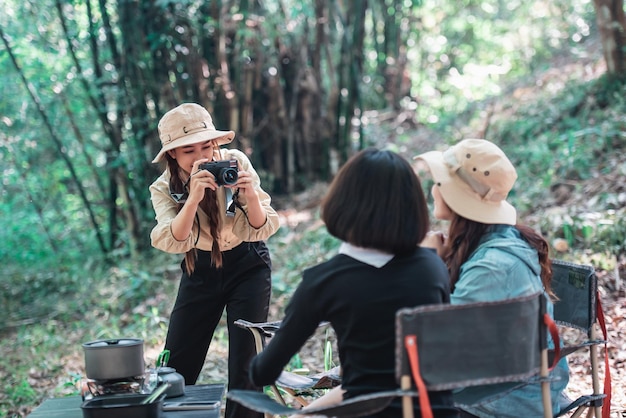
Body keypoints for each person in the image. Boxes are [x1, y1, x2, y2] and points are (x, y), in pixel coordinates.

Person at [248, 148, 459, 418]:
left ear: (342, 204)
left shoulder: (325, 280)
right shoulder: (432, 268)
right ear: (413, 207)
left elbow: (264, 372)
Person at [414, 138, 570, 418]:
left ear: (456, 196)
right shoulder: (488, 241)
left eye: (440, 184)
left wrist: (426, 265)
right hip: (501, 390)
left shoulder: (493, 267)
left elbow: (433, 345)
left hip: (504, 402)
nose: (434, 191)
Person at [149, 102, 280, 418]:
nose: (202, 157)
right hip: (200, 269)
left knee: (247, 365)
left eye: (207, 145)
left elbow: (264, 225)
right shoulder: (164, 187)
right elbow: (173, 238)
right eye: (188, 150)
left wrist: (248, 196)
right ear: (173, 156)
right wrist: (193, 196)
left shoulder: (235, 162)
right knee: (177, 363)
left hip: (248, 263)